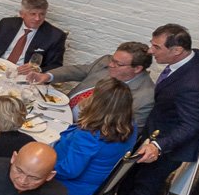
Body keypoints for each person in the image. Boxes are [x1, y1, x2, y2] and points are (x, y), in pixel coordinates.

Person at [110, 24, 199, 195]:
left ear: (177, 50)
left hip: (173, 141)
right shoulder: (197, 56)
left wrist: (158, 145)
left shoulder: (193, 86)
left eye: (157, 47)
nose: (151, 51)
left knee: (146, 181)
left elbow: (190, 125)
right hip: (161, 124)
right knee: (133, 174)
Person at [25, 42, 155, 132]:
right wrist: (47, 76)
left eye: (118, 63)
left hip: (82, 131)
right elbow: (78, 71)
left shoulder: (144, 97)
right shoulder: (107, 62)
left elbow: (124, 132)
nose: (110, 64)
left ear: (137, 68)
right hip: (58, 110)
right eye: (112, 59)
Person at [52, 78, 138, 195]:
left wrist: (44, 168)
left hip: (71, 190)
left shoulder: (90, 134)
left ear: (98, 103)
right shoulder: (130, 125)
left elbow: (69, 171)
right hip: (93, 184)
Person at [0, 0, 67, 70]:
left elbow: (55, 66)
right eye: (33, 14)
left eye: (42, 14)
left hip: (25, 75)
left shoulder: (55, 36)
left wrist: (37, 70)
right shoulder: (6, 24)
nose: (37, 18)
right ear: (22, 14)